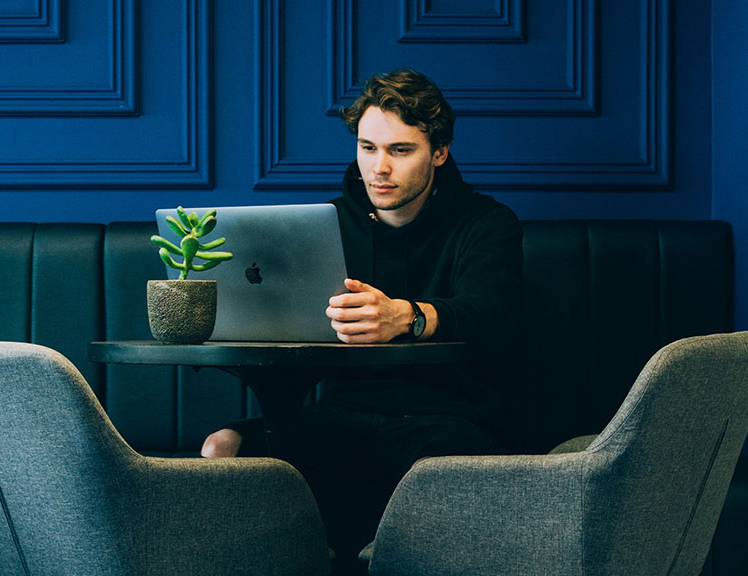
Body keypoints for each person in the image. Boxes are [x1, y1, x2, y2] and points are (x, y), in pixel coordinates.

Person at [201, 68, 523, 574]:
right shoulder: (326, 225)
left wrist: (408, 316)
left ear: (438, 152)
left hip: (447, 418)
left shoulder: (486, 223)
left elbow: (491, 311)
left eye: (400, 150)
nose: (379, 168)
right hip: (343, 415)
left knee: (439, 465)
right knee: (222, 447)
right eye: (367, 147)